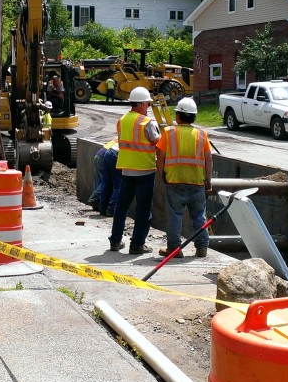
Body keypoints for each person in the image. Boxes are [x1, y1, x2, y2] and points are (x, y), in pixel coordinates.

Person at [155, 97, 212, 258]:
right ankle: (202, 248)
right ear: (194, 117)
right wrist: (208, 180)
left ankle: (174, 249)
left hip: (174, 181)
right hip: (197, 183)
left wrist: (161, 175)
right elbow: (209, 159)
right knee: (199, 216)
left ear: (178, 116)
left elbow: (160, 155)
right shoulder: (202, 134)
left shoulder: (169, 132)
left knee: (175, 216)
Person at [108, 87, 161, 255]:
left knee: (121, 207)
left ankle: (115, 241)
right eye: (147, 104)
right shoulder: (147, 122)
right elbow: (157, 143)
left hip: (126, 169)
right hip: (145, 170)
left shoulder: (122, 120)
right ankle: (137, 244)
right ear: (142, 104)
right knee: (143, 209)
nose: (148, 107)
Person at [87, 138, 119, 214]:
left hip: (100, 154)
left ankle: (97, 204)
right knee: (107, 182)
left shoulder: (119, 136)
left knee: (100, 182)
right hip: (106, 155)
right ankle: (95, 198)